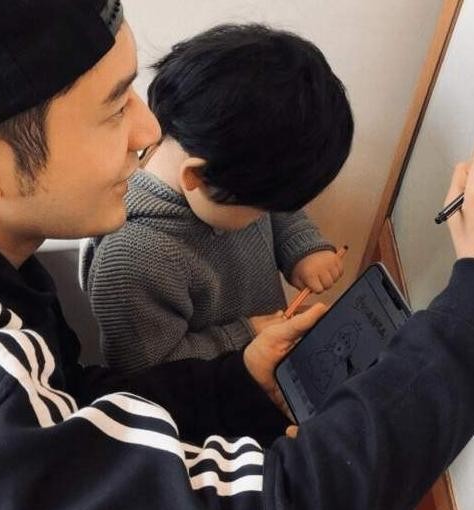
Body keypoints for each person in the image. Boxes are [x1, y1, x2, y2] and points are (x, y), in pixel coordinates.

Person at [0, 1, 474, 510]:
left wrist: (237, 381)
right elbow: (277, 500)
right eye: (114, 106)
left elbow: (74, 412)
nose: (148, 132)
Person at [80, 24, 351, 373]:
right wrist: (247, 334)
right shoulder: (133, 260)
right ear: (196, 177)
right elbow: (146, 368)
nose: (265, 216)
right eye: (259, 209)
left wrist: (303, 249)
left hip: (262, 361)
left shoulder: (233, 171)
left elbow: (277, 208)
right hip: (205, 394)